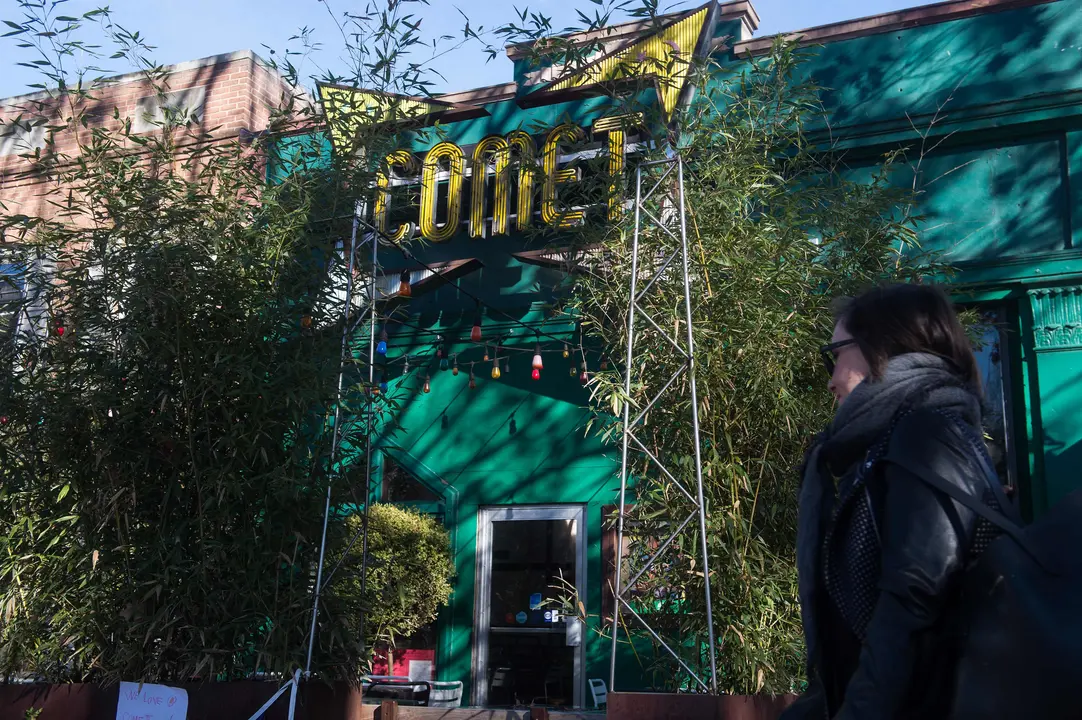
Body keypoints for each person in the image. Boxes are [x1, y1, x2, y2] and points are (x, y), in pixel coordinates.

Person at [782, 283, 1009, 719]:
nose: (830, 380)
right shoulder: (893, 441)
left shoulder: (927, 436)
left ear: (881, 345)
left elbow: (910, 607)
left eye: (835, 355)